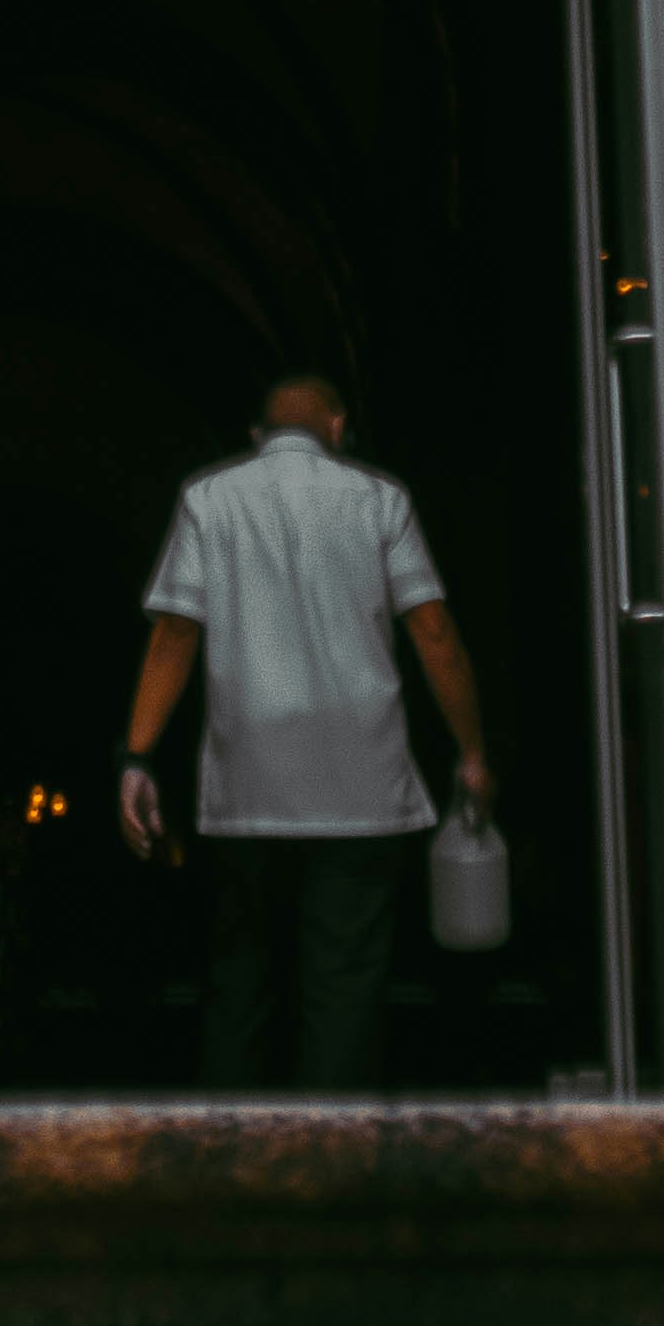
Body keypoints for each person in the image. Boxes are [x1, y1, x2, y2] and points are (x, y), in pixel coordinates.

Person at [119, 367, 493, 1093]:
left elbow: (174, 631)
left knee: (238, 981)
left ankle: (234, 1141)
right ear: (337, 426)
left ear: (257, 435)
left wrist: (137, 756)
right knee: (344, 986)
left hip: (246, 788)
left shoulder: (208, 497)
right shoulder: (380, 499)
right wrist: (472, 751)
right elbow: (433, 630)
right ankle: (334, 1147)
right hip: (361, 785)